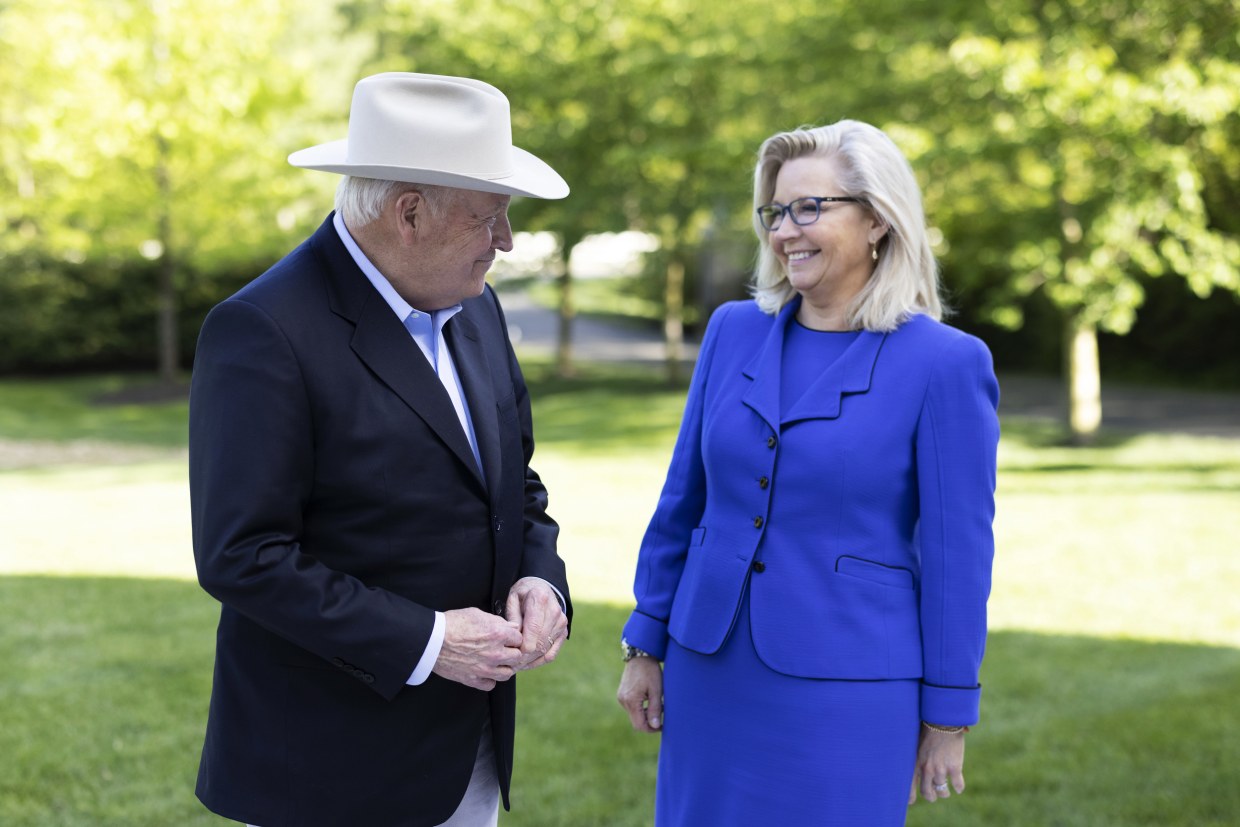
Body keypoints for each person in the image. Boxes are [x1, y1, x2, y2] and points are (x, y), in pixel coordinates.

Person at [189, 72, 572, 827]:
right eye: (488, 217)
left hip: (469, 752)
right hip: (331, 771)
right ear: (409, 213)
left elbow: (513, 484)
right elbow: (242, 553)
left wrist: (541, 578)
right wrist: (430, 640)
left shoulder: (475, 305)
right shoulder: (264, 329)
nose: (507, 241)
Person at [616, 119, 999, 825]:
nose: (785, 230)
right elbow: (684, 498)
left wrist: (948, 714)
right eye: (775, 211)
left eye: (809, 208)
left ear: (879, 220)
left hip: (849, 685)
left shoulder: (946, 363)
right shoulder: (733, 331)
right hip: (711, 667)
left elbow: (958, 555)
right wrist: (645, 638)